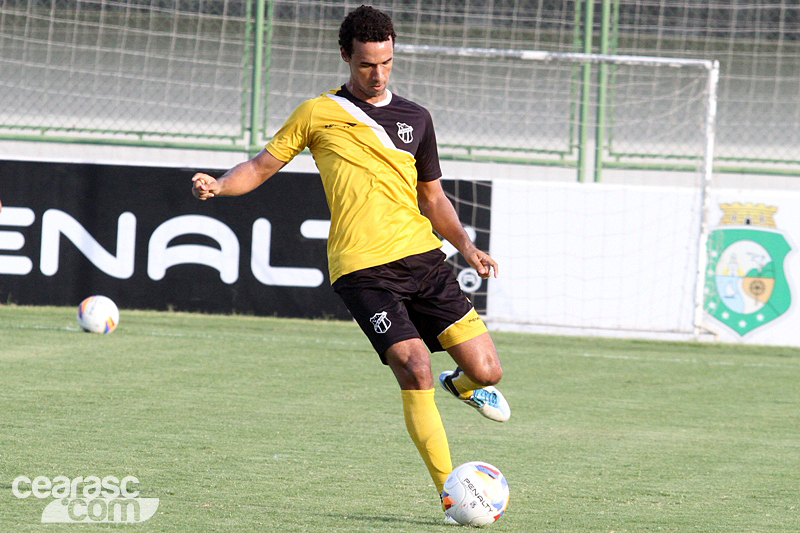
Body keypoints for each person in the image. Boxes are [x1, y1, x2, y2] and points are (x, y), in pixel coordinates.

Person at [191, 5, 510, 519]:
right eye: (366, 64)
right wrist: (221, 185)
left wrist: (466, 247)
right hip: (362, 270)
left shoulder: (416, 118)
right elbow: (261, 166)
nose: (378, 74)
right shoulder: (317, 113)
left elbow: (432, 197)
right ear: (346, 56)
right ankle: (452, 492)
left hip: (423, 260)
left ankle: (462, 385)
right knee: (415, 365)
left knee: (488, 371)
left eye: (386, 63)